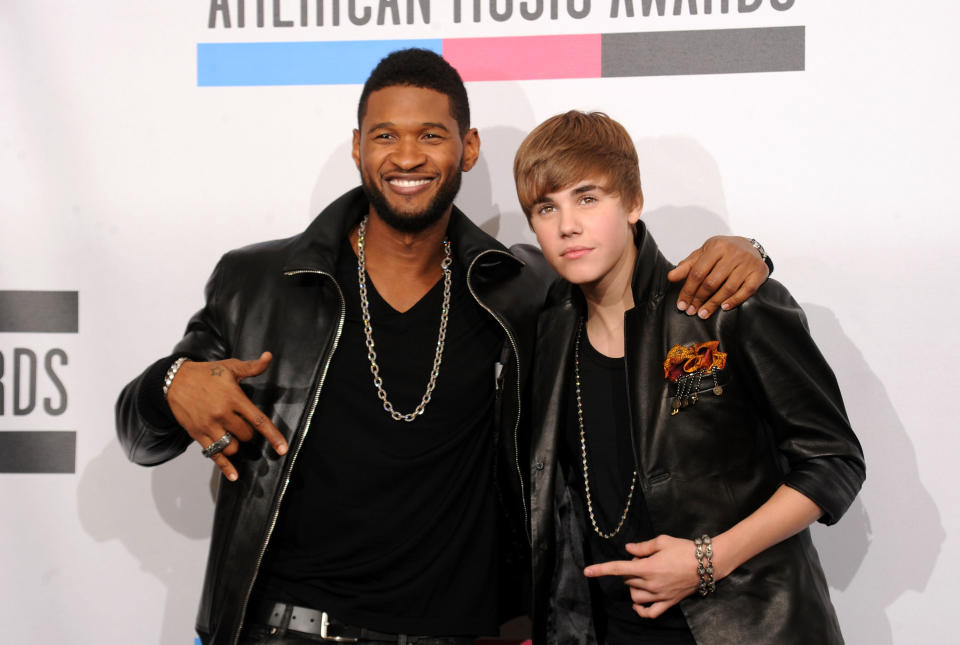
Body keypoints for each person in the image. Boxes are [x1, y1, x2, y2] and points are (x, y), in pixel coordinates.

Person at [116, 51, 771, 645]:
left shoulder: (521, 290)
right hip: (288, 630)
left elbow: (627, 271)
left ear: (468, 147)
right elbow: (140, 434)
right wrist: (171, 382)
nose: (407, 157)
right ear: (356, 148)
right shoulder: (260, 283)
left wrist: (748, 253)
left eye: (431, 134)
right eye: (385, 136)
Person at [513, 111, 865, 645]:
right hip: (607, 631)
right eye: (546, 207)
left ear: (632, 203)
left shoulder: (721, 307)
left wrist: (706, 559)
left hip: (747, 627)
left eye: (588, 198)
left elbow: (832, 460)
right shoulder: (545, 332)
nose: (567, 225)